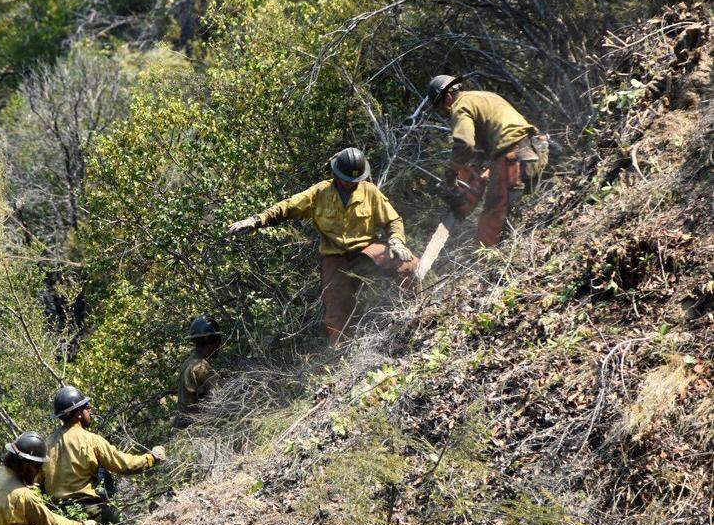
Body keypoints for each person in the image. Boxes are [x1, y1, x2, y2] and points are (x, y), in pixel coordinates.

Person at [228, 147, 417, 347]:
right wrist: (257, 220)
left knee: (408, 264)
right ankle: (342, 353)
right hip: (336, 257)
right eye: (347, 179)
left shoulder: (370, 191)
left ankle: (414, 312)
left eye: (356, 180)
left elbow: (393, 219)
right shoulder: (320, 193)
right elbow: (288, 206)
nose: (352, 184)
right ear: (336, 174)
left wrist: (396, 240)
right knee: (337, 309)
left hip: (367, 249)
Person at [42, 386, 164, 525]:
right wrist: (152, 458)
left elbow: (36, 484)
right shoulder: (91, 440)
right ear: (77, 413)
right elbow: (123, 465)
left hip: (58, 518)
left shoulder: (46, 445)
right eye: (86, 407)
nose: (89, 410)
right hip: (90, 512)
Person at [427, 74, 550, 246]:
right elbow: (488, 142)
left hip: (512, 157)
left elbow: (465, 144)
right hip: (535, 149)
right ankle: (522, 249)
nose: (445, 113)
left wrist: (451, 172)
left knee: (492, 217)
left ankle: (484, 263)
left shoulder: (460, 106)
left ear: (447, 97)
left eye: (441, 108)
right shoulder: (483, 97)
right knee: (520, 210)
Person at [176, 316, 221, 427]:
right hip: (195, 427)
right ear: (212, 341)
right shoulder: (202, 367)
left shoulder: (189, 362)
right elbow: (219, 400)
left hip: (183, 424)